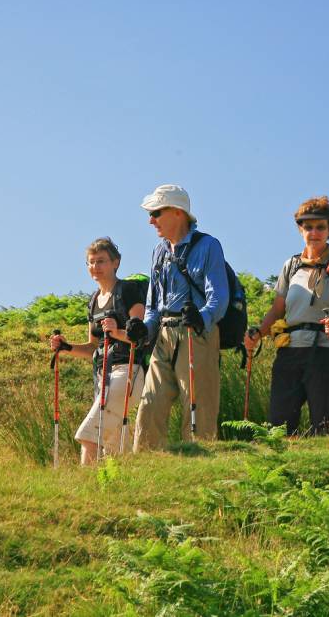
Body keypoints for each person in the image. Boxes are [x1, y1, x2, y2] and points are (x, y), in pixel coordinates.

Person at [243, 196, 329, 435]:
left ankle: (323, 468)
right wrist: (258, 332)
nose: (314, 232)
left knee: (324, 422)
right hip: (290, 350)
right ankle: (278, 466)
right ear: (300, 229)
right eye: (308, 227)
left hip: (327, 348)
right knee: (278, 422)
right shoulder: (291, 266)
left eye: (320, 227)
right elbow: (278, 310)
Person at [131, 184, 228, 450]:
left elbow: (219, 298)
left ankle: (200, 470)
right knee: (149, 405)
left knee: (198, 407)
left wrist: (202, 318)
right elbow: (153, 305)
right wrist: (145, 329)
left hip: (197, 334)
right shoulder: (158, 251)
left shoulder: (209, 246)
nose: (151, 220)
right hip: (164, 335)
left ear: (177, 212)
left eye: (156, 212)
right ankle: (146, 468)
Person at [49, 238, 147, 463]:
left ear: (116, 263)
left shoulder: (128, 291)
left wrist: (116, 331)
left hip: (128, 371)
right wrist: (66, 347)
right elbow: (94, 346)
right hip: (102, 376)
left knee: (88, 436)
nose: (95, 267)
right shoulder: (93, 301)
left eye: (101, 261)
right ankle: (110, 492)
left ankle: (85, 488)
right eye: (91, 262)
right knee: (111, 448)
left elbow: (139, 336)